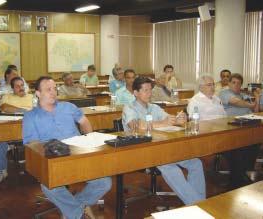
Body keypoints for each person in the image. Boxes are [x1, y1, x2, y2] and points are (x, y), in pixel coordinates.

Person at [23, 76, 111, 219]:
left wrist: (91, 139)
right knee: (48, 186)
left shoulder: (68, 107)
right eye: (48, 90)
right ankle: (79, 214)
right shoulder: (30, 116)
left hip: (79, 154)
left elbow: (85, 122)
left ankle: (74, 208)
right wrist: (47, 153)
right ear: (38, 94)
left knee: (104, 182)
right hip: (54, 160)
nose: (53, 92)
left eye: (54, 89)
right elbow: (31, 144)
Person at [122, 76, 206, 205]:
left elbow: (168, 118)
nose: (149, 93)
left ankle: (199, 203)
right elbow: (136, 125)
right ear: (136, 93)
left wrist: (178, 119)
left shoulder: (154, 107)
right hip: (140, 151)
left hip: (162, 148)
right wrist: (162, 122)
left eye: (150, 90)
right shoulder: (129, 108)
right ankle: (198, 205)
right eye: (145, 90)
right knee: (171, 168)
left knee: (196, 163)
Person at [219, 73, 261, 188]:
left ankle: (245, 172)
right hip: (231, 128)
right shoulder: (224, 93)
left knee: (255, 143)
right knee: (240, 148)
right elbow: (236, 102)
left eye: (239, 83)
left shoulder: (244, 95)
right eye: (234, 82)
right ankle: (238, 178)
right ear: (229, 83)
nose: (236, 85)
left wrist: (257, 98)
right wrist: (251, 104)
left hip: (247, 126)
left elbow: (256, 111)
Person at [0, 77, 33, 183]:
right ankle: (1, 170)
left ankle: (37, 169)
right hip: (11, 128)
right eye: (17, 86)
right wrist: (24, 110)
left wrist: (16, 109)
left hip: (30, 128)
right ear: (12, 88)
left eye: (22, 85)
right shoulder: (7, 97)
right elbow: (5, 107)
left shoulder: (32, 97)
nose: (21, 88)